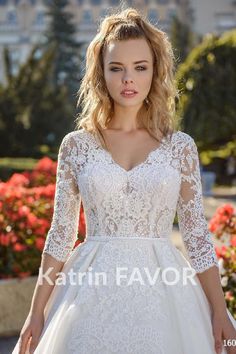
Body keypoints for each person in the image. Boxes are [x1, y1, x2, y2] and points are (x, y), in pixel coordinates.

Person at [13, 7, 236, 354]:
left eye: (140, 67)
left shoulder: (180, 148)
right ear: (101, 73)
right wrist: (36, 311)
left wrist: (220, 311)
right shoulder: (77, 146)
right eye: (116, 68)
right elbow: (61, 234)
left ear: (155, 71)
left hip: (165, 291)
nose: (128, 79)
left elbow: (196, 239)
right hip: (88, 293)